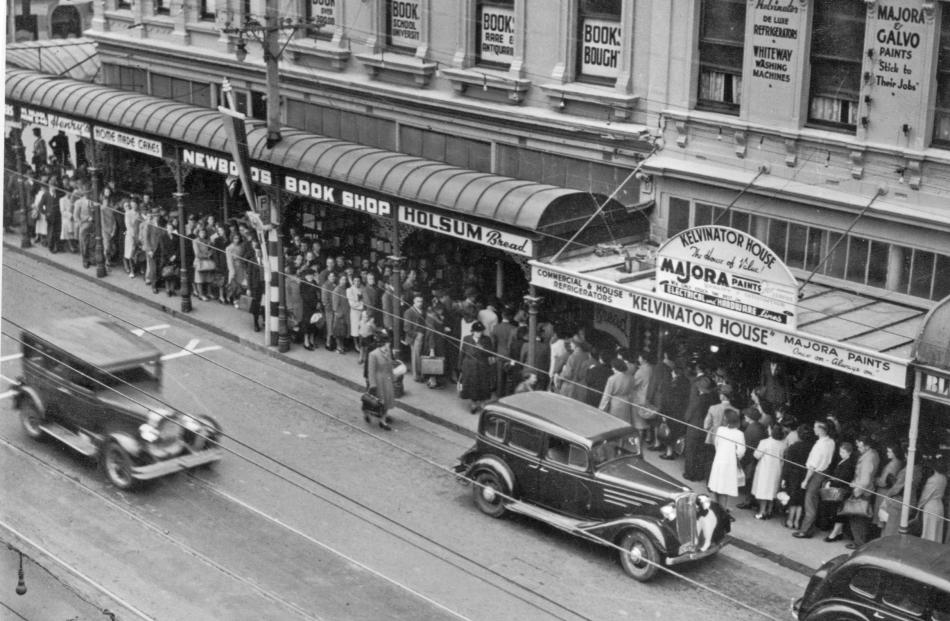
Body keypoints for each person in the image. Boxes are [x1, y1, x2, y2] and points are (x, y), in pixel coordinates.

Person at [793, 420, 837, 538]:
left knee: (810, 502)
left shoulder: (820, 445)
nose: (813, 429)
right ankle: (809, 528)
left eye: (815, 427)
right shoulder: (831, 442)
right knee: (815, 501)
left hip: (816, 474)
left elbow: (812, 466)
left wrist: (806, 480)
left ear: (822, 429)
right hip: (824, 473)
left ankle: (805, 530)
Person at [683, 361, 719, 481]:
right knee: (701, 452)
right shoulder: (713, 399)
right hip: (705, 429)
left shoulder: (698, 400)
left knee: (691, 451)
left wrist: (686, 420)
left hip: (694, 428)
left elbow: (688, 415)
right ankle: (699, 474)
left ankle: (690, 474)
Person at [844, 436, 880, 549]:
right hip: (865, 490)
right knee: (860, 518)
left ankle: (859, 543)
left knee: (858, 518)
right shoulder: (872, 453)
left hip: (862, 491)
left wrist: (856, 490)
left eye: (859, 445)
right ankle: (859, 541)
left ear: (866, 445)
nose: (858, 447)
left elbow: (865, 480)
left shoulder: (869, 458)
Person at [707, 409, 746, 510]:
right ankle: (722, 510)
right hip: (730, 463)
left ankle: (716, 508)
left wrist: (721, 452)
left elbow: (717, 443)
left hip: (719, 459)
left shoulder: (720, 430)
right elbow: (741, 450)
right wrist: (736, 456)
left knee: (716, 485)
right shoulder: (739, 434)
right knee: (724, 488)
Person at [822, 441, 857, 542]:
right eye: (840, 451)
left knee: (838, 512)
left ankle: (834, 534)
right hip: (839, 489)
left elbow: (843, 478)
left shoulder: (848, 463)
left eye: (843, 452)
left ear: (849, 452)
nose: (841, 453)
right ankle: (839, 532)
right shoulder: (844, 461)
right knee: (838, 511)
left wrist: (831, 482)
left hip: (841, 490)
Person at [751, 424, 787, 520]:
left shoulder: (765, 442)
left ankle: (762, 512)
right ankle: (769, 511)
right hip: (777, 470)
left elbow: (757, 455)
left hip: (765, 470)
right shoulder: (783, 444)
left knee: (764, 491)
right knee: (772, 491)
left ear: (771, 431)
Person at [782, 424, 813, 531]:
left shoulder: (793, 447)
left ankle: (790, 521)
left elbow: (787, 464)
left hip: (793, 475)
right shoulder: (811, 447)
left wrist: (784, 478)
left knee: (793, 499)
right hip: (805, 475)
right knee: (800, 501)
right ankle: (797, 522)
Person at [459, 321, 494, 414]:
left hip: (482, 366)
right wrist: (460, 367)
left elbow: (491, 353)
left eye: (481, 331)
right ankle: (473, 404)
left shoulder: (487, 339)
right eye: (477, 332)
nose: (479, 334)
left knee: (483, 385)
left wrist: (483, 349)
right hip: (470, 367)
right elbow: (462, 352)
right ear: (473, 331)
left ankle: (482, 403)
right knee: (472, 385)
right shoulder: (466, 339)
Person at [366, 331, 396, 430]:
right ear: (384, 343)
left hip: (387, 380)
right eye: (388, 343)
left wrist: (393, 377)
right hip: (379, 381)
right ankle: (381, 421)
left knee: (387, 400)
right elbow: (371, 371)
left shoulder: (388, 353)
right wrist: (372, 385)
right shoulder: (373, 354)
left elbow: (390, 366)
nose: (389, 345)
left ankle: (383, 419)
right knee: (380, 401)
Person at [659, 364, 689, 460]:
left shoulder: (672, 384)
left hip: (671, 411)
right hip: (681, 412)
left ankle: (669, 453)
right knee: (677, 432)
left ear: (674, 373)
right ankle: (676, 451)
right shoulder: (687, 382)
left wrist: (663, 413)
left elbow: (666, 400)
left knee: (669, 432)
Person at [873, 442, 905, 531]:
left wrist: (875, 480)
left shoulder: (892, 465)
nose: (887, 453)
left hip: (883, 492)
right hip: (889, 492)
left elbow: (883, 482)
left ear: (895, 453)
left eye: (889, 452)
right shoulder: (899, 462)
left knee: (881, 518)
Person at [918, 460, 947, 543]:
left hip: (931, 506)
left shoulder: (933, 479)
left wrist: (919, 506)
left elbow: (925, 496)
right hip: (939, 505)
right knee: (937, 530)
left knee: (929, 530)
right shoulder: (944, 478)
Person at [599, 358, 633, 422]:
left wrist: (601, 409)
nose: (612, 369)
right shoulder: (630, 377)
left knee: (614, 422)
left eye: (613, 367)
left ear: (615, 367)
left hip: (615, 403)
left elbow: (606, 396)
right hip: (626, 402)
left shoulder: (612, 379)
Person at [558, 337, 591, 401]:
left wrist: (561, 375)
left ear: (576, 345)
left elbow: (568, 374)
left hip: (569, 388)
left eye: (572, 343)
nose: (570, 344)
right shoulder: (587, 356)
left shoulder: (573, 356)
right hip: (580, 388)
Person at [403, 294, 426, 383]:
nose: (420, 303)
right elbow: (407, 328)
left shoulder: (422, 311)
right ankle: (416, 376)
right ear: (414, 302)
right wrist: (417, 335)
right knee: (416, 356)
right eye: (418, 301)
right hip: (415, 337)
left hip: (422, 335)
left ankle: (421, 373)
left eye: (421, 301)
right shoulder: (409, 312)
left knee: (419, 355)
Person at [299, 269, 321, 350]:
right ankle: (306, 342)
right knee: (307, 324)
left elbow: (318, 293)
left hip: (315, 307)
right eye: (310, 275)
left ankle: (312, 341)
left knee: (314, 324)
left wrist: (318, 302)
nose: (311, 276)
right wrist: (314, 303)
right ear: (306, 276)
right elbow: (305, 297)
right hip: (307, 307)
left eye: (312, 275)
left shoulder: (314, 282)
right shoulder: (303, 284)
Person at [192, 227, 215, 301]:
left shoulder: (207, 241)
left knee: (208, 277)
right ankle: (201, 294)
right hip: (199, 261)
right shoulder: (195, 241)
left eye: (204, 233)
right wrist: (206, 255)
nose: (203, 234)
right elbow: (197, 253)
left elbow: (211, 250)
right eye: (201, 232)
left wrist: (210, 252)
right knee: (200, 279)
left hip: (207, 261)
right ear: (198, 233)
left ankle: (209, 292)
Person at [347, 275, 366, 360]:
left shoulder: (362, 288)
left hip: (362, 312)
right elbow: (352, 304)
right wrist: (363, 306)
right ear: (353, 281)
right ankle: (356, 344)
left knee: (362, 329)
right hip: (355, 312)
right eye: (355, 281)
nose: (357, 282)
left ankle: (361, 344)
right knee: (355, 329)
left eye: (358, 281)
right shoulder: (349, 290)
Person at [332, 274, 351, 353]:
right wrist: (339, 313)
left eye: (345, 280)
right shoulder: (337, 290)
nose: (344, 281)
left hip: (346, 312)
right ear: (339, 280)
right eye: (342, 279)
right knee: (338, 332)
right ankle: (338, 347)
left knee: (343, 332)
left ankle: (341, 346)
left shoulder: (346, 289)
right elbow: (335, 304)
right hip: (340, 314)